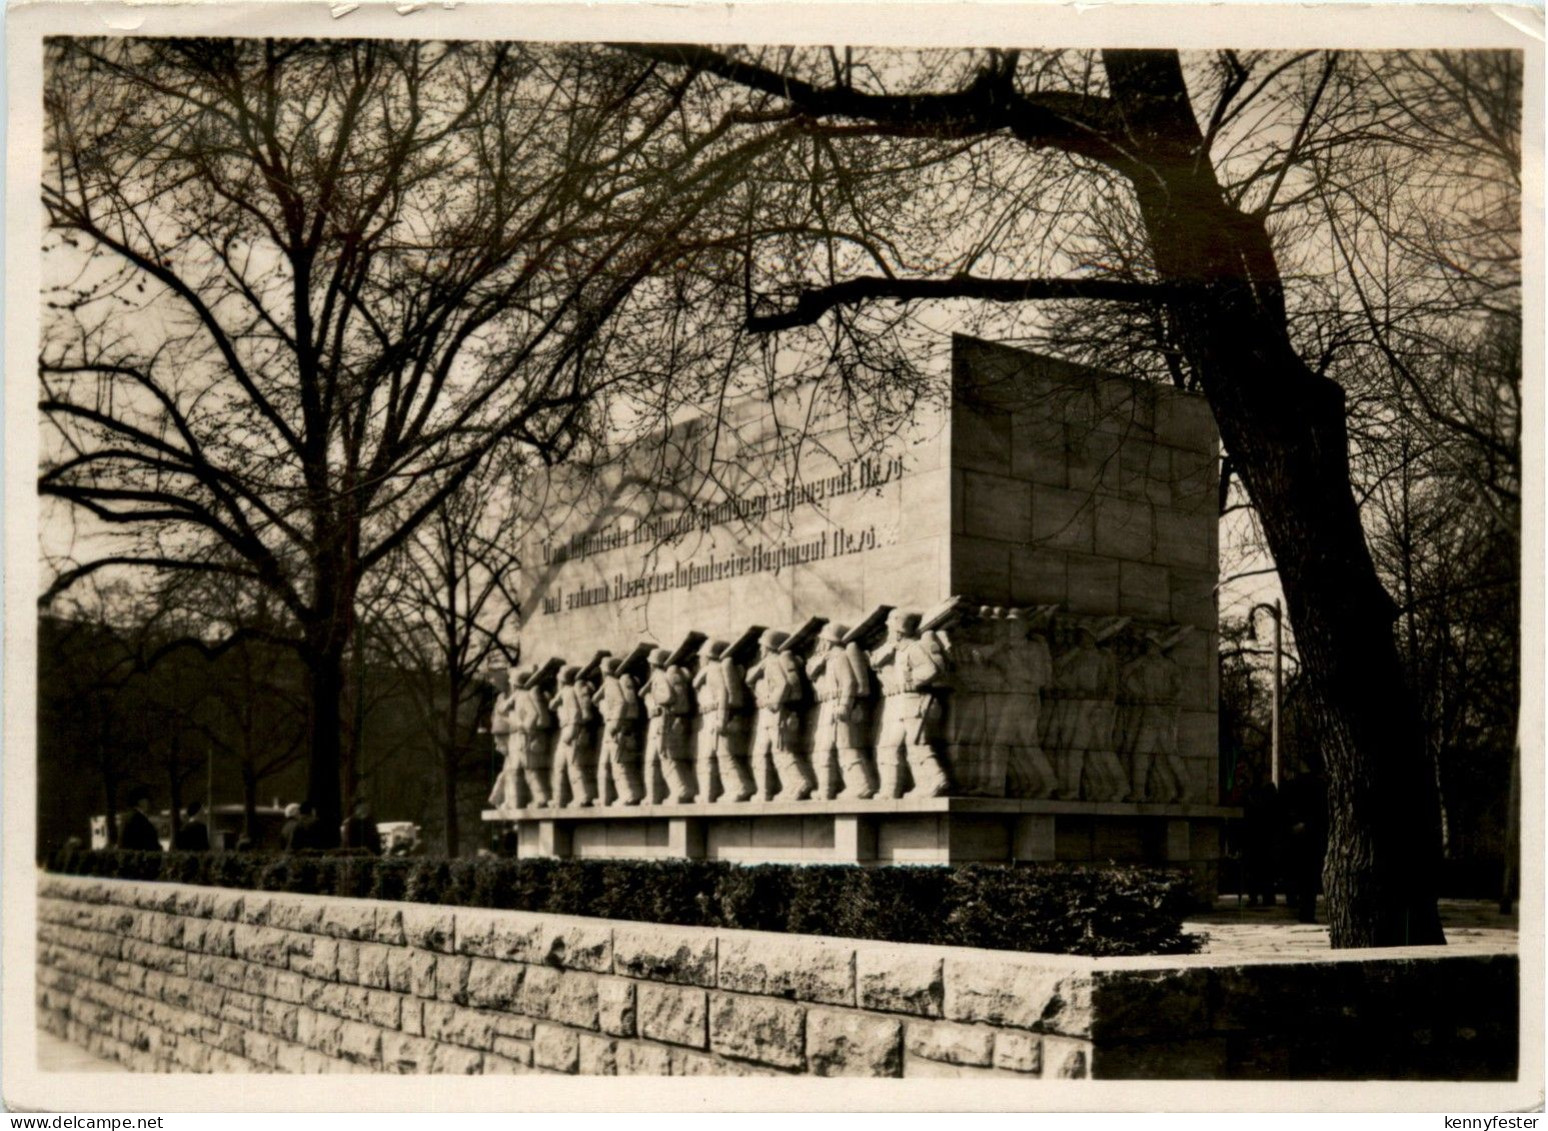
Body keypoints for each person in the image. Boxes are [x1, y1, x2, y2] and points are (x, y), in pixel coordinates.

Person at [117, 786, 163, 852]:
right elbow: (149, 842)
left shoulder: (126, 818)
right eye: (146, 800)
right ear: (140, 802)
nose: (149, 803)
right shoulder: (139, 819)